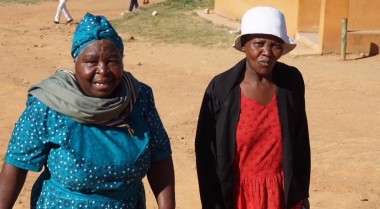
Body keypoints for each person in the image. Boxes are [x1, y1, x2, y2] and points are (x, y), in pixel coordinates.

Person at [0, 13, 175, 209]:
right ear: (76, 64)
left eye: (112, 61)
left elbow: (160, 156)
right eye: (91, 61)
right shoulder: (50, 103)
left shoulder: (139, 98)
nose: (103, 70)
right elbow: (16, 165)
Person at [195, 6, 310, 209]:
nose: (267, 52)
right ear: (244, 45)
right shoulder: (220, 91)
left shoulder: (291, 82)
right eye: (259, 44)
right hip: (240, 197)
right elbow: (206, 154)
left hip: (283, 194)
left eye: (275, 46)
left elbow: (300, 140)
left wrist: (301, 193)